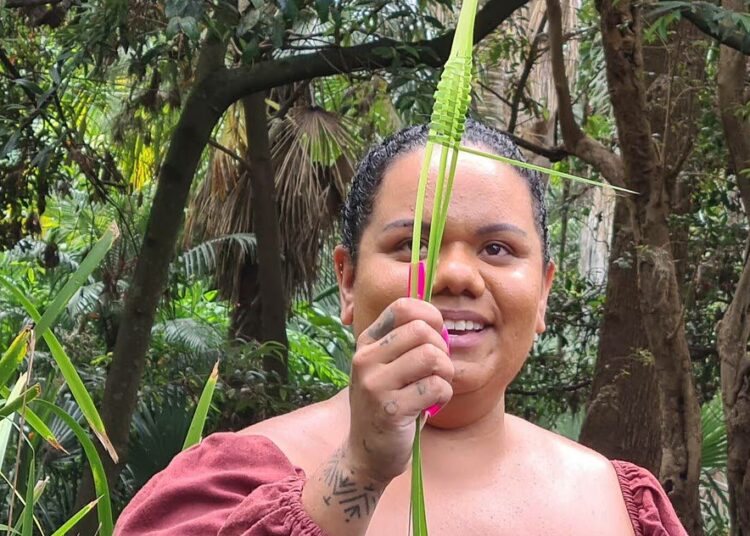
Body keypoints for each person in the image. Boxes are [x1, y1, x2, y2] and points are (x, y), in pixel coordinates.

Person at [115, 121, 688, 535]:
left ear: (542, 291)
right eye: (413, 244)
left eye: (497, 248)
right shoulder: (235, 482)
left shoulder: (620, 503)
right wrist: (359, 468)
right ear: (347, 281)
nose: (457, 275)